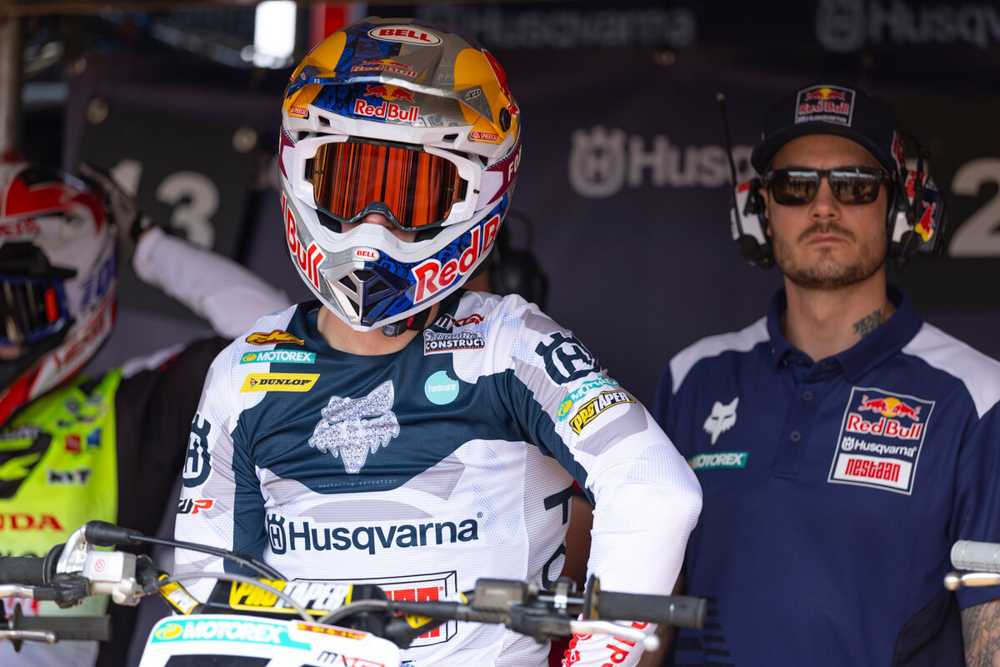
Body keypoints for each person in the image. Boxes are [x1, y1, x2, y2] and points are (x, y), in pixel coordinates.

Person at [174, 16, 702, 667]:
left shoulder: (509, 345)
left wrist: (594, 656)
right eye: (348, 181)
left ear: (481, 196)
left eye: (413, 193)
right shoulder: (245, 369)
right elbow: (206, 594)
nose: (373, 225)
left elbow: (655, 490)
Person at [654, 82, 1000, 665]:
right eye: (794, 185)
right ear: (759, 209)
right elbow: (643, 611)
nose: (823, 207)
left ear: (899, 207)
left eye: (854, 184)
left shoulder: (980, 398)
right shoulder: (691, 378)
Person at [0, 160, 290, 667]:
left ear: (71, 304)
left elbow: (273, 339)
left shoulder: (123, 407)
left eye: (9, 309)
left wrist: (148, 245)